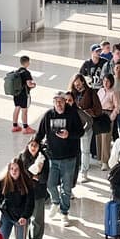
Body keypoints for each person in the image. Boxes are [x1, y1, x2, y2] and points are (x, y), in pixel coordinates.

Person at [35, 93, 85, 225]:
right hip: (52, 157)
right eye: (56, 102)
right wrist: (33, 147)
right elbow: (39, 134)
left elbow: (81, 132)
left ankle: (64, 212)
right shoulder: (48, 115)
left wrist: (69, 134)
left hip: (69, 157)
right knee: (50, 184)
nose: (59, 104)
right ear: (53, 103)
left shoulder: (72, 114)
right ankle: (55, 202)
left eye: (61, 101)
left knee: (66, 187)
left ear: (65, 102)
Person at [0, 159, 35, 239]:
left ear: (21, 170)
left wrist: (25, 216)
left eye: (16, 169)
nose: (14, 171)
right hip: (7, 215)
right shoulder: (3, 182)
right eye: (11, 169)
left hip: (21, 217)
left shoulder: (27, 182)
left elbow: (30, 202)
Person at [19, 138, 49, 239]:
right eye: (31, 145)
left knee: (37, 218)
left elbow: (44, 178)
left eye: (35, 146)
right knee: (24, 217)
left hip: (38, 193)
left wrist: (34, 177)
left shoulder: (43, 158)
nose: (33, 148)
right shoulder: (22, 157)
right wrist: (34, 176)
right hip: (25, 193)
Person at [96, 74, 120, 169]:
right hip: (99, 114)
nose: (106, 83)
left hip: (108, 114)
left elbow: (117, 106)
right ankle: (99, 157)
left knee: (106, 138)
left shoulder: (114, 92)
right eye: (104, 81)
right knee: (98, 136)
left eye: (108, 81)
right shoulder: (100, 91)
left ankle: (105, 161)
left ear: (111, 82)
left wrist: (112, 117)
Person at [11, 55, 37, 134]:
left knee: (17, 108)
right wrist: (34, 85)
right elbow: (29, 84)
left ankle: (15, 126)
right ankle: (25, 128)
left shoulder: (17, 71)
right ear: (27, 62)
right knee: (24, 111)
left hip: (16, 94)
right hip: (24, 94)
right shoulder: (26, 72)